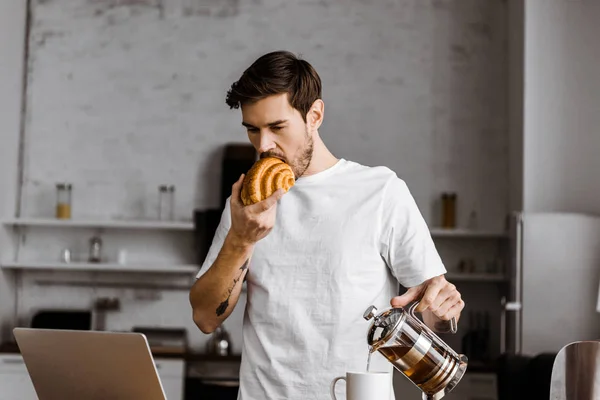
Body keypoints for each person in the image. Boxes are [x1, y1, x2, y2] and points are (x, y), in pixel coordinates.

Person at [189, 50, 464, 400]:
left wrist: (442, 314)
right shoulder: (247, 203)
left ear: (314, 115)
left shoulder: (381, 192)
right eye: (253, 131)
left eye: (277, 127)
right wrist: (241, 240)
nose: (264, 146)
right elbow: (204, 318)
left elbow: (436, 317)